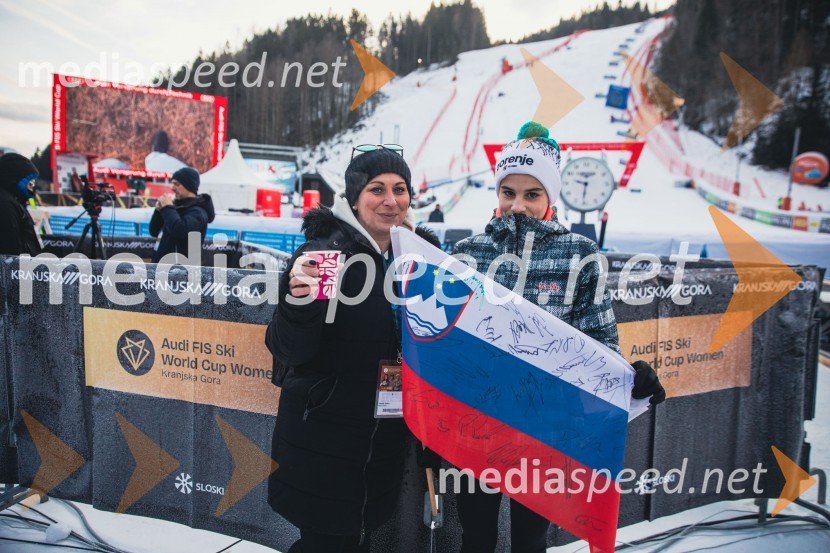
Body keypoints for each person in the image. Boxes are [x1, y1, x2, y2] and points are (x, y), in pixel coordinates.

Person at [447, 122, 666, 553]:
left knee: (531, 539)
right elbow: (444, 339)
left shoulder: (580, 255)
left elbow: (599, 341)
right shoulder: (467, 253)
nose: (518, 205)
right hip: (477, 423)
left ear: (550, 198)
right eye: (508, 192)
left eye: (532, 194)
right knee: (475, 536)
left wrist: (631, 379)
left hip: (544, 428)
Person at [265, 146, 440, 553]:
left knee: (358, 533)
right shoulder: (325, 256)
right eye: (376, 189)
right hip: (325, 436)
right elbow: (288, 349)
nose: (390, 200)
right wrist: (298, 304)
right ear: (354, 197)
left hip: (384, 436)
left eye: (400, 189)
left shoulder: (420, 259)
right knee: (324, 541)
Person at [149, 166, 215, 264]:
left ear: (188, 186)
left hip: (180, 271)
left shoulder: (199, 211)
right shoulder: (175, 207)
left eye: (177, 184)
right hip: (163, 267)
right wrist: (159, 211)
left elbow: (180, 230)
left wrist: (167, 207)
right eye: (172, 184)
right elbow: (154, 231)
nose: (172, 188)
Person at [0, 153, 42, 256]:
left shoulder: (15, 201)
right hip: (16, 266)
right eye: (30, 184)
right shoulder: (6, 204)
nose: (32, 188)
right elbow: (10, 245)